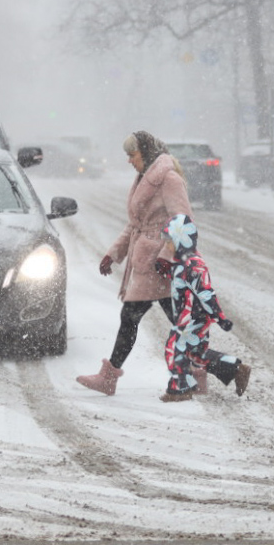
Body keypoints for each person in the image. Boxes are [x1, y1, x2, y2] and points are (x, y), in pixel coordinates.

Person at [77, 130, 207, 396]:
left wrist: (167, 257)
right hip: (149, 263)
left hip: (160, 264)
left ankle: (109, 378)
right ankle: (216, 370)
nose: (129, 160)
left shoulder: (168, 179)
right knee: (178, 322)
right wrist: (113, 254)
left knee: (132, 318)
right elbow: (136, 224)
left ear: (145, 153)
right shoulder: (144, 178)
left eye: (132, 155)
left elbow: (184, 221)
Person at [157, 213, 251, 402]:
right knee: (195, 353)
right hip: (192, 315)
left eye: (170, 241)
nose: (166, 245)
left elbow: (205, 292)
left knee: (174, 348)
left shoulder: (192, 264)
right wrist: (168, 272)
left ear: (181, 240)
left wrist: (220, 317)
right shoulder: (183, 261)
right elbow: (184, 284)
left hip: (193, 316)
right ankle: (235, 369)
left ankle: (180, 389)